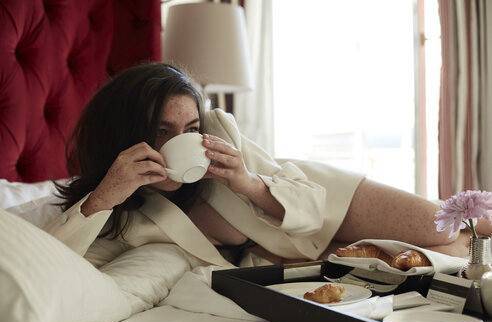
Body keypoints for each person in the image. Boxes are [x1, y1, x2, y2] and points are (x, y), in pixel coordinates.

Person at [44, 62, 482, 269]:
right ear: (124, 135)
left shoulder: (219, 134)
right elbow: (46, 260)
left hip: (326, 202)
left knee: (442, 225)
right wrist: (105, 195)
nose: (182, 142)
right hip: (288, 255)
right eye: (162, 131)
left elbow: (309, 205)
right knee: (443, 258)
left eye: (190, 127)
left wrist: (245, 181)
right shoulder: (118, 214)